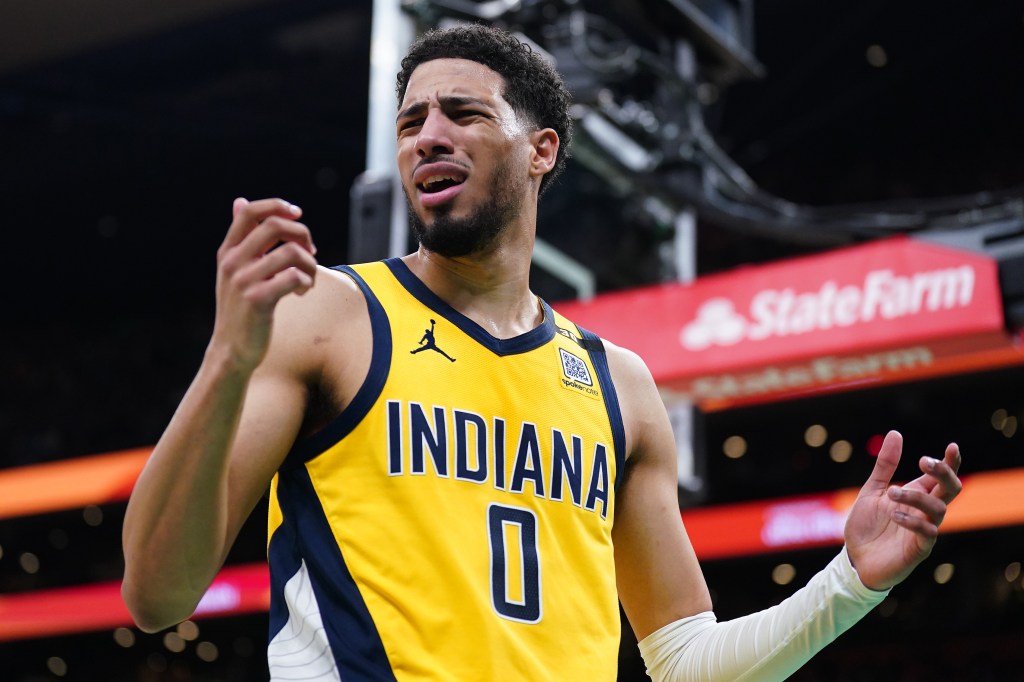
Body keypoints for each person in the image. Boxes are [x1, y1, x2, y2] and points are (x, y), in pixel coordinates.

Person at [121, 24, 963, 681]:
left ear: (542, 149)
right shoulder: (331, 315)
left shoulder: (619, 388)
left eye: (463, 113)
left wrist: (850, 583)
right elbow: (156, 595)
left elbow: (684, 660)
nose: (426, 137)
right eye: (412, 120)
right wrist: (228, 359)